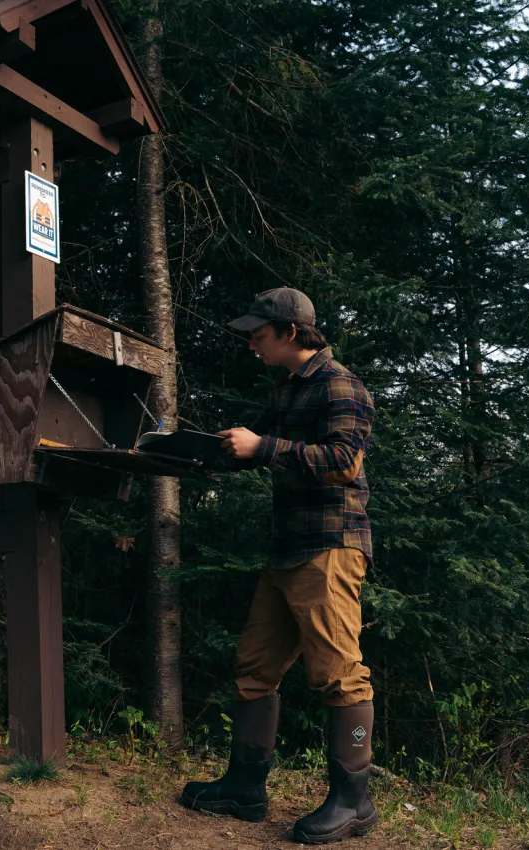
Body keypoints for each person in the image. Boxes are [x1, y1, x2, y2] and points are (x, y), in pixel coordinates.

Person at [181, 287, 378, 845]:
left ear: (290, 333)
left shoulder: (339, 382)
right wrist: (189, 452)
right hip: (286, 549)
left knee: (339, 673)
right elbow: (252, 447)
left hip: (329, 546)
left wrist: (262, 447)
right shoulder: (289, 389)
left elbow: (342, 461)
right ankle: (245, 788)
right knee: (254, 667)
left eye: (259, 334)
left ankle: (354, 802)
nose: (251, 343)